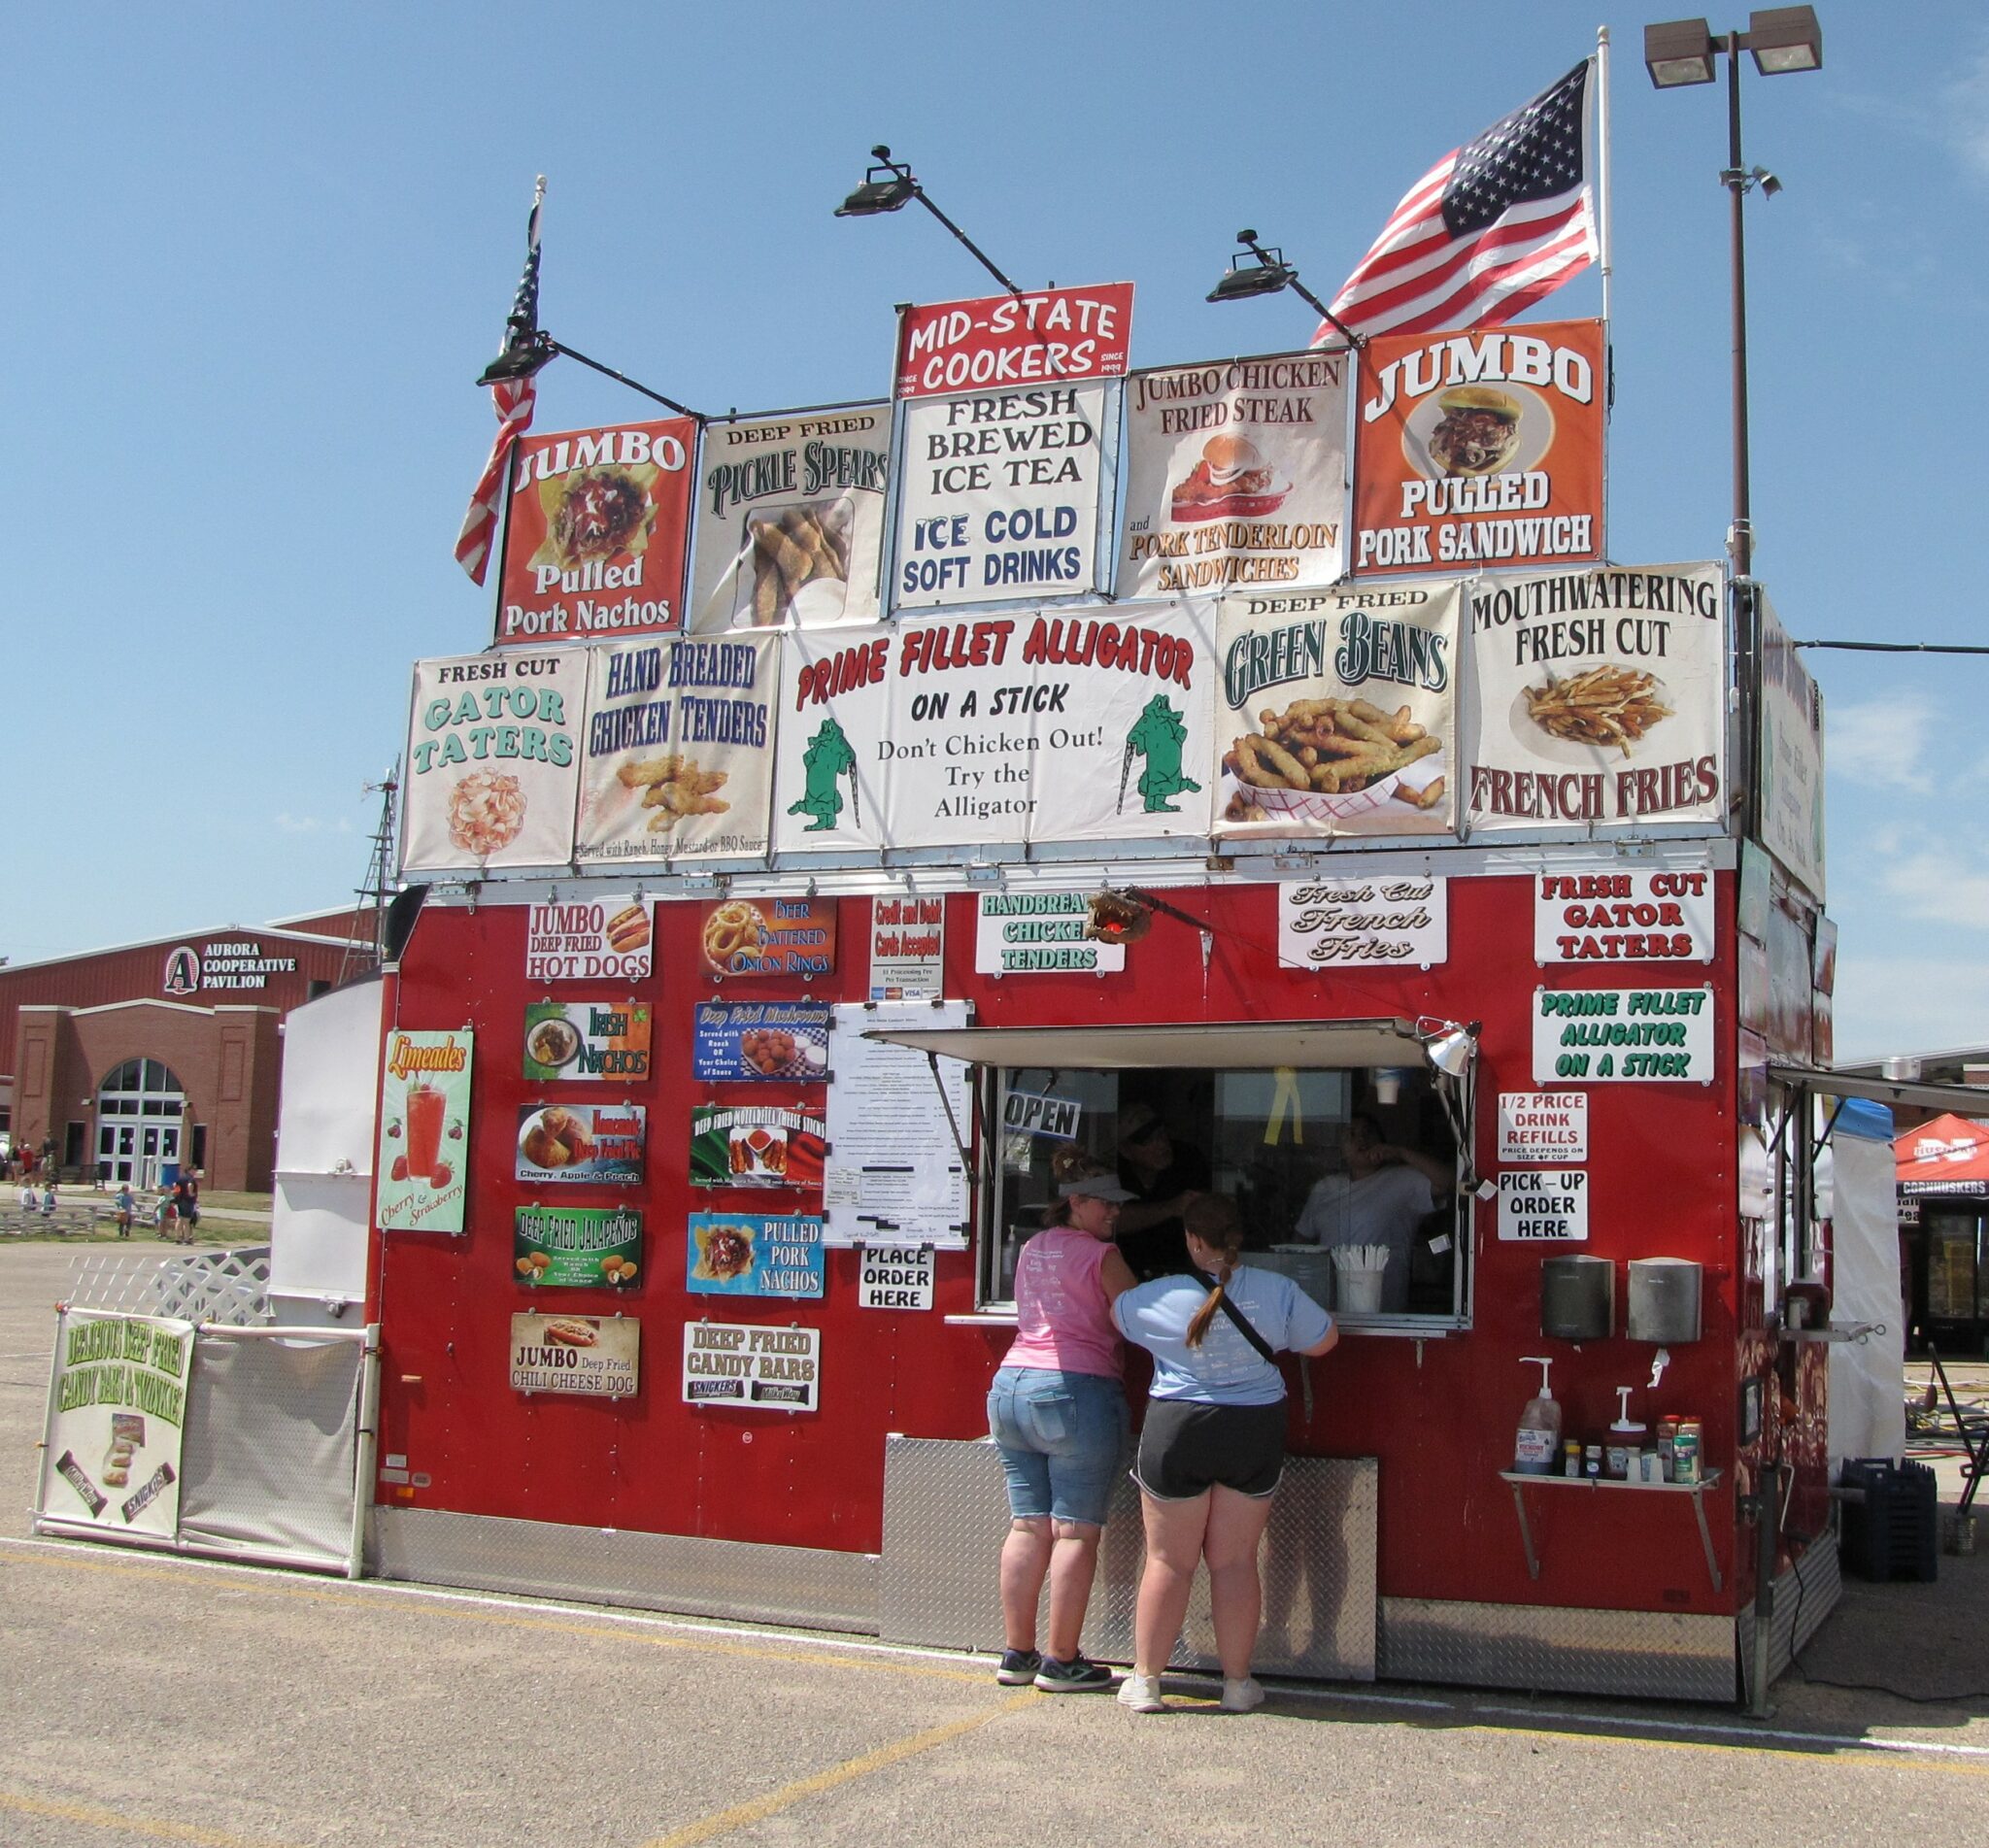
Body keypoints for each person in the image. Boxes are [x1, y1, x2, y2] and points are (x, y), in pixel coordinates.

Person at [1111, 1193, 1337, 1715]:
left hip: (1178, 1429)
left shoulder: (1161, 1294)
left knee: (1168, 1561)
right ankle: (1238, 1685)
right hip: (1251, 1430)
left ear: (1193, 1240)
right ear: (1240, 1238)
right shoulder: (1277, 1289)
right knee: (1235, 1563)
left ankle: (1146, 1682)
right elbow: (1325, 1341)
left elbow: (1115, 1314)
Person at [987, 1159, 1138, 1694]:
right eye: (1104, 1201)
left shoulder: (1032, 1247)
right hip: (1075, 1388)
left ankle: (1017, 1654)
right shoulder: (1103, 1255)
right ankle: (1061, 1660)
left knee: (1027, 1524)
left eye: (1116, 1202)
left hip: (1010, 1387)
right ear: (1076, 1202)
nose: (1114, 1211)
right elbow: (1138, 1317)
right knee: (1074, 1529)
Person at [1295, 1115, 1453, 1314]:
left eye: (1367, 1133)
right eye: (1351, 1135)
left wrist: (1401, 1153)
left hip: (1382, 1309)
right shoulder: (1325, 1187)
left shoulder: (1402, 1180)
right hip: (1325, 1308)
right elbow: (1301, 1240)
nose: (1361, 1140)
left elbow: (1448, 1182)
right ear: (1341, 1149)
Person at [1113, 1100, 1209, 1283]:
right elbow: (1111, 1221)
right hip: (1126, 1274)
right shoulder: (1114, 1169)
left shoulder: (1188, 1158)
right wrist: (1170, 1208)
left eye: (1161, 1134)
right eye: (1148, 1141)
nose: (1161, 1144)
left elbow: (1207, 1214)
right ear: (1125, 1150)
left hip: (1185, 1274)